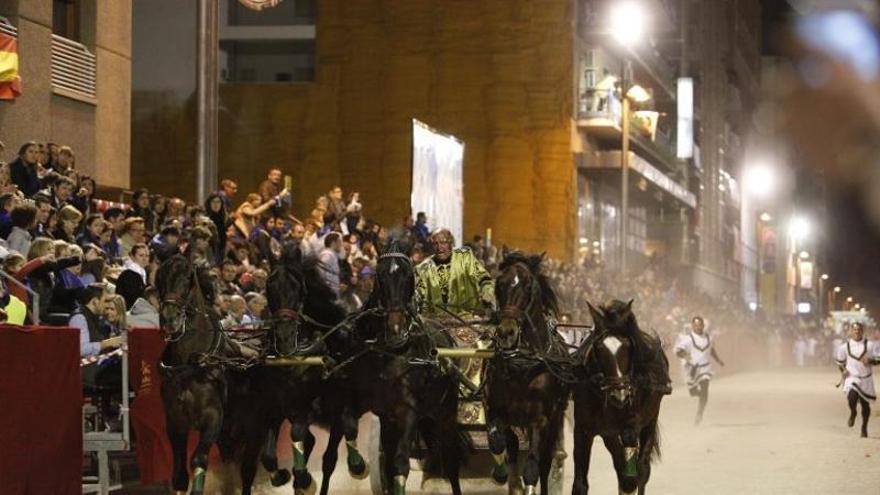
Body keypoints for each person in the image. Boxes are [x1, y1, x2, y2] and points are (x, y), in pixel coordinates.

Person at [414, 228, 496, 317]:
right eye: (435, 244)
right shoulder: (423, 268)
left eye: (443, 243)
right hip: (437, 324)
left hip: (469, 319)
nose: (439, 247)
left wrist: (487, 292)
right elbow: (418, 294)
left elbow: (484, 279)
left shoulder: (465, 258)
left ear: (451, 244)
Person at [674, 316, 725, 425]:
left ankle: (699, 413)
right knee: (693, 392)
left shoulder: (709, 338)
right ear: (692, 326)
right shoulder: (688, 339)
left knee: (705, 390)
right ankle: (701, 396)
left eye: (700, 325)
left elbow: (711, 350)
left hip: (705, 368)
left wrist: (718, 360)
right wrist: (685, 356)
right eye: (696, 325)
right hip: (692, 369)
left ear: (703, 325)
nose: (698, 327)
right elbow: (678, 351)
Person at [835, 322, 880, 438]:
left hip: (866, 378)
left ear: (862, 331)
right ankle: (853, 412)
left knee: (865, 406)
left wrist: (870, 361)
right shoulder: (844, 347)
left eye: (859, 329)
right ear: (850, 331)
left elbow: (879, 359)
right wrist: (843, 370)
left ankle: (864, 427)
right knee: (851, 398)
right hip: (852, 377)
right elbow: (840, 362)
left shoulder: (870, 345)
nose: (856, 331)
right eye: (854, 329)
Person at [116, 243, 149, 309]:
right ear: (133, 257)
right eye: (141, 255)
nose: (144, 258)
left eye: (147, 256)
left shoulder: (142, 272)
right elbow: (133, 299)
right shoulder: (129, 275)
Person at [317, 232, 343, 298]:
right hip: (327, 291)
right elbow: (320, 273)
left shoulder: (332, 254)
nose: (341, 245)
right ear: (333, 243)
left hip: (332, 290)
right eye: (339, 242)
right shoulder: (327, 255)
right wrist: (330, 286)